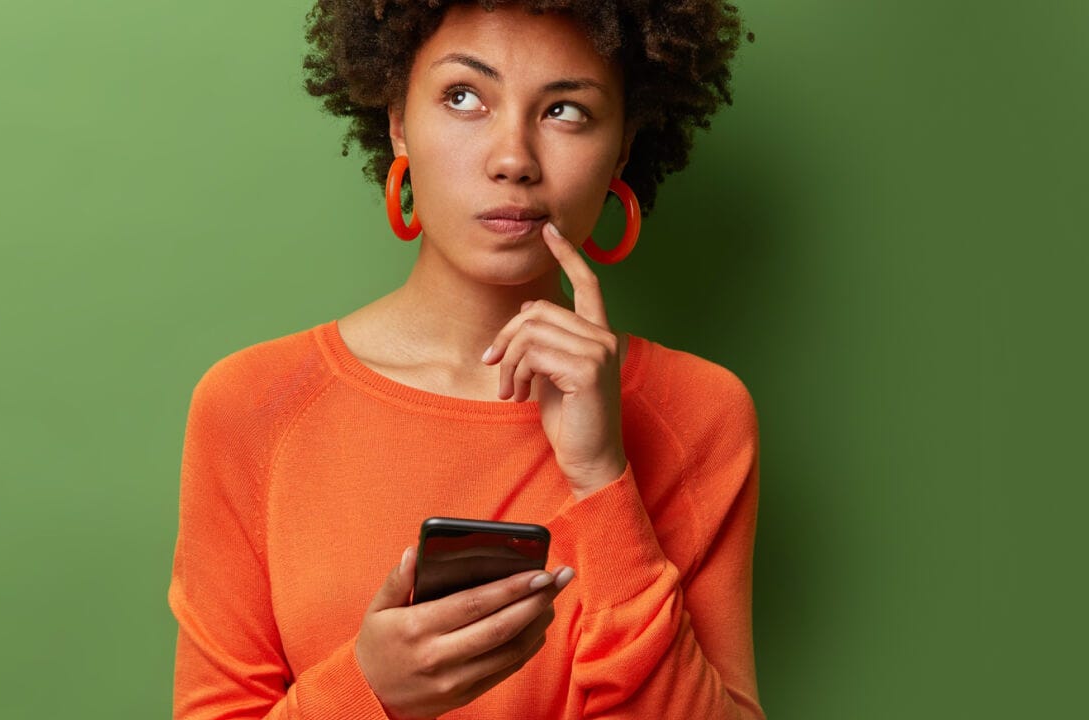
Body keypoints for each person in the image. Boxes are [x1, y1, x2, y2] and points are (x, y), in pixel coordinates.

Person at [167, 1, 762, 718]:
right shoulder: (254, 403)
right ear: (397, 122)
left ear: (624, 146)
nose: (513, 159)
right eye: (463, 97)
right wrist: (369, 692)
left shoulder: (698, 412)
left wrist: (603, 478)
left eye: (566, 110)